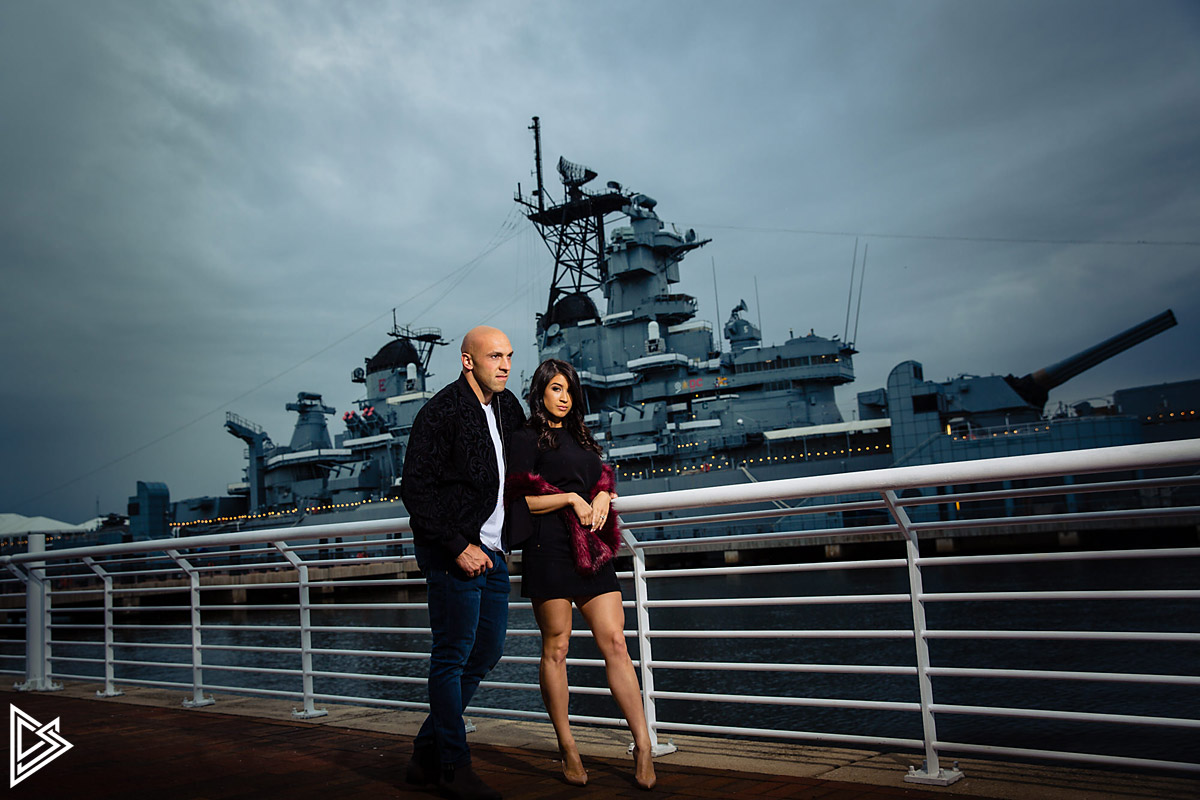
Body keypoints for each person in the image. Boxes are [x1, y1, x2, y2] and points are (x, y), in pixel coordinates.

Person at [505, 358, 657, 791]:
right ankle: (568, 747)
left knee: (615, 642)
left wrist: (605, 492)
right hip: (547, 548)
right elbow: (519, 501)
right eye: (556, 388)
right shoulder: (525, 438)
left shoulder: (581, 436)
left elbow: (598, 479)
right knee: (556, 648)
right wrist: (570, 498)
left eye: (569, 389)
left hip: (591, 550)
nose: (564, 397)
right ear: (540, 393)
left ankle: (642, 744)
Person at [400, 325, 526, 800]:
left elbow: (536, 456)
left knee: (487, 653)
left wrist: (594, 486)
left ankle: (425, 753)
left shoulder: (508, 406)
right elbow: (417, 489)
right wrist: (456, 546)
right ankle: (452, 766)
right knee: (451, 657)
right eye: (495, 356)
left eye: (509, 356)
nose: (505, 365)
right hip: (456, 556)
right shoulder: (440, 412)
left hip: (494, 553)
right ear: (468, 361)